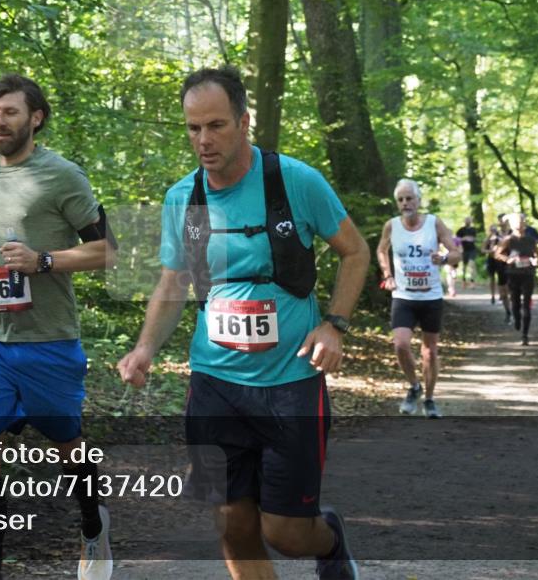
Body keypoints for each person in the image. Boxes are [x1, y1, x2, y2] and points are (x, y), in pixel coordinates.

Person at [117, 66, 368, 580]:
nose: (203, 140)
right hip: (214, 385)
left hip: (290, 384)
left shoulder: (294, 181)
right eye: (193, 128)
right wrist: (145, 348)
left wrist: (334, 324)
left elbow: (356, 252)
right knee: (233, 524)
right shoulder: (182, 199)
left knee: (287, 534)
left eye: (216, 125)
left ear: (244, 121)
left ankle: (330, 540)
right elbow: (173, 283)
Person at [0, 74, 116, 580]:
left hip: (50, 339)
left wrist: (44, 261)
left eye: (10, 112)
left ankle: (92, 526)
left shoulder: (63, 176)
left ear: (35, 117)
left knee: (68, 451)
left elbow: (107, 251)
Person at [376, 179, 461, 419]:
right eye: (401, 200)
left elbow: (457, 253)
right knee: (400, 344)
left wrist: (443, 259)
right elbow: (381, 249)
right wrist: (387, 274)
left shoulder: (434, 224)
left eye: (409, 198)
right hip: (403, 295)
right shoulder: (392, 226)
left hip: (431, 296)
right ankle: (414, 386)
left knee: (430, 352)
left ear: (418, 200)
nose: (405, 203)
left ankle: (430, 399)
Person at [494, 213, 538, 345]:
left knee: (527, 303)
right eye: (516, 223)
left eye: (521, 222)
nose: (519, 225)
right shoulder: (508, 240)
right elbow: (497, 253)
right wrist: (508, 259)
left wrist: (536, 261)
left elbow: (537, 252)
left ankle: (525, 335)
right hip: (513, 274)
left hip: (528, 274)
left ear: (525, 224)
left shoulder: (531, 240)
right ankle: (517, 318)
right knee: (515, 301)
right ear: (512, 225)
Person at [481, 224, 503, 306]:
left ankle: (501, 295)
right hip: (491, 260)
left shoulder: (500, 239)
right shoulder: (487, 240)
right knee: (492, 278)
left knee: (501, 278)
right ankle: (493, 296)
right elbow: (482, 250)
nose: (493, 232)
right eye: (492, 230)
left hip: (500, 260)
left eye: (495, 230)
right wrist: (490, 251)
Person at [456, 217, 479, 284]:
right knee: (464, 265)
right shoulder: (461, 230)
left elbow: (475, 238)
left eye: (469, 220)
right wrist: (464, 238)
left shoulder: (473, 229)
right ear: (464, 221)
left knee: (471, 263)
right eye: (466, 220)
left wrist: (472, 239)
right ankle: (464, 280)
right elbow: (456, 240)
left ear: (471, 221)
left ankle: (472, 281)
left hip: (472, 249)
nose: (468, 222)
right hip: (464, 250)